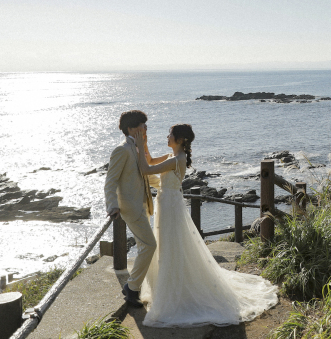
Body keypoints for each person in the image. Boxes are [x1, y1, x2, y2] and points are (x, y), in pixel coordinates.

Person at [132, 124, 278, 327]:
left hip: (170, 207)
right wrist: (144, 144)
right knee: (168, 246)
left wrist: (138, 144)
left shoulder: (176, 160)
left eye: (170, 135)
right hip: (166, 204)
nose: (167, 136)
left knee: (172, 246)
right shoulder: (171, 157)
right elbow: (148, 160)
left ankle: (176, 293)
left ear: (180, 139)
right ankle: (170, 288)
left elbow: (146, 169)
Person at [104, 110, 167, 307]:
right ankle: (132, 288)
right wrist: (112, 206)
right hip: (131, 207)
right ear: (131, 128)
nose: (146, 128)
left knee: (143, 246)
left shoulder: (138, 147)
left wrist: (165, 186)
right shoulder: (122, 150)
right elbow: (110, 181)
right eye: (142, 125)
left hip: (144, 205)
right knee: (150, 245)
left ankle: (136, 288)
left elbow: (145, 175)